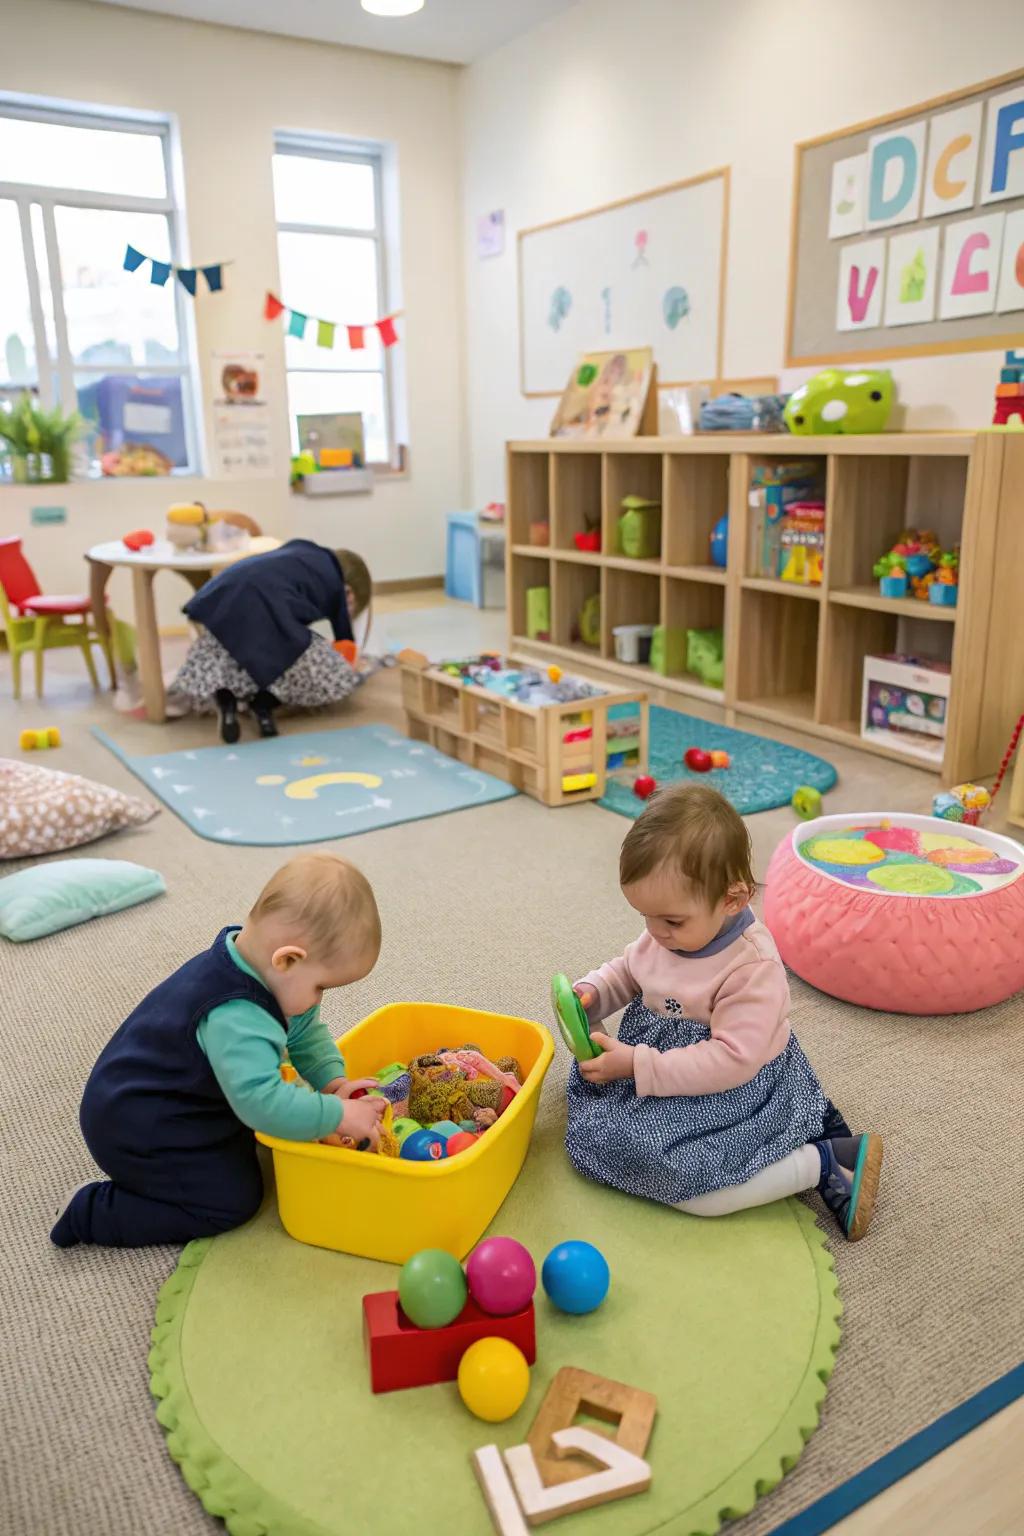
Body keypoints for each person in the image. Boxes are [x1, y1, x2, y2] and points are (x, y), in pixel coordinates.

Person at [566, 784, 883, 1240]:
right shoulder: (665, 934)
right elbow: (632, 970)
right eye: (645, 918)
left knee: (698, 1188)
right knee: (596, 1131)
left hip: (733, 1085)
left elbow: (732, 1059)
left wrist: (636, 1065)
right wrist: (595, 991)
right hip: (663, 1068)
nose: (655, 933)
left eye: (671, 921)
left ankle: (825, 1161)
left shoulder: (750, 967)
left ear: (733, 900)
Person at [51, 853, 385, 1249]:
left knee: (266, 1138)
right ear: (289, 959)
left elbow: (304, 1034)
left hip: (172, 1094)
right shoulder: (237, 1015)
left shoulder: (256, 963)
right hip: (142, 1124)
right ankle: (92, 1211)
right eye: (321, 987)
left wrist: (333, 1084)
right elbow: (260, 1104)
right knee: (231, 1200)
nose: (318, 1000)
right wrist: (337, 1115)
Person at [171, 540, 372, 742]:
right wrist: (349, 663)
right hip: (266, 614)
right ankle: (263, 704)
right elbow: (344, 642)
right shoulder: (336, 587)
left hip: (221, 605)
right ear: (348, 593)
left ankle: (226, 698)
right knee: (336, 676)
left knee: (242, 651)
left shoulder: (301, 552)